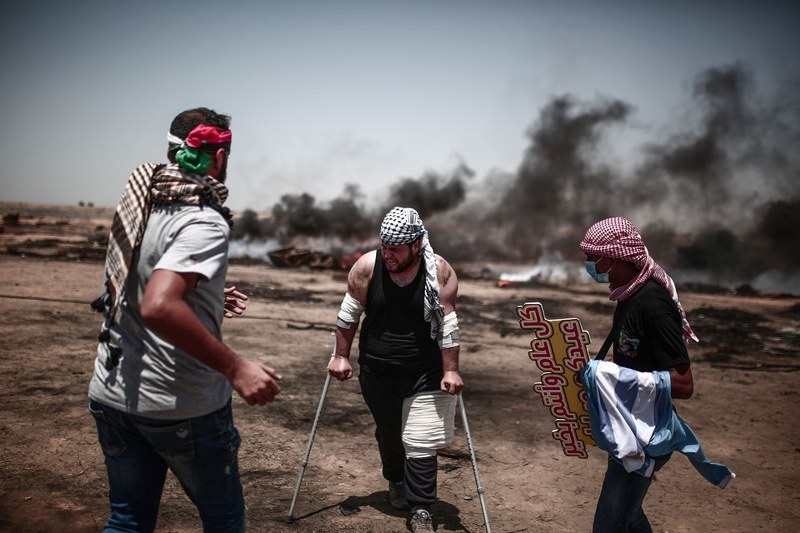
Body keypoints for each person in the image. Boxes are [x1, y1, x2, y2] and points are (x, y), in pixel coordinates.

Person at [88, 107, 282, 533]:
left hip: (113, 392)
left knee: (127, 521)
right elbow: (159, 305)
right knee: (223, 521)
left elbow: (142, 280)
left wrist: (204, 296)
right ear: (219, 157)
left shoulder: (140, 203)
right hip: (180, 404)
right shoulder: (203, 219)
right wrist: (236, 367)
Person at [327, 206, 463, 532]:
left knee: (420, 439)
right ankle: (396, 479)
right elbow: (348, 316)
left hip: (424, 370)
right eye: (385, 247)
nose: (388, 254)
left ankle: (421, 509)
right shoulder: (366, 267)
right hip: (377, 370)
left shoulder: (439, 272)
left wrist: (451, 370)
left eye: (396, 249)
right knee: (390, 435)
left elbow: (448, 325)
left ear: (416, 245)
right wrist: (341, 356)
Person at [579, 216, 697, 533]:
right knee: (628, 518)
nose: (590, 266)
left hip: (647, 436)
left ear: (616, 258)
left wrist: (609, 377)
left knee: (609, 525)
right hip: (627, 429)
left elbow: (684, 384)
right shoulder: (628, 296)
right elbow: (632, 363)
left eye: (593, 258)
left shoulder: (653, 304)